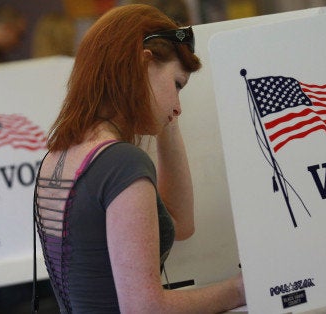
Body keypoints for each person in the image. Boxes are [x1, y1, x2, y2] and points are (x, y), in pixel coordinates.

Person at [33, 4, 246, 313]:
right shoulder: (121, 163)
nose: (178, 106)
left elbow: (179, 223)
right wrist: (238, 289)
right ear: (143, 64)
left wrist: (160, 111)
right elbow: (145, 307)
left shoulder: (58, 155)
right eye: (176, 85)